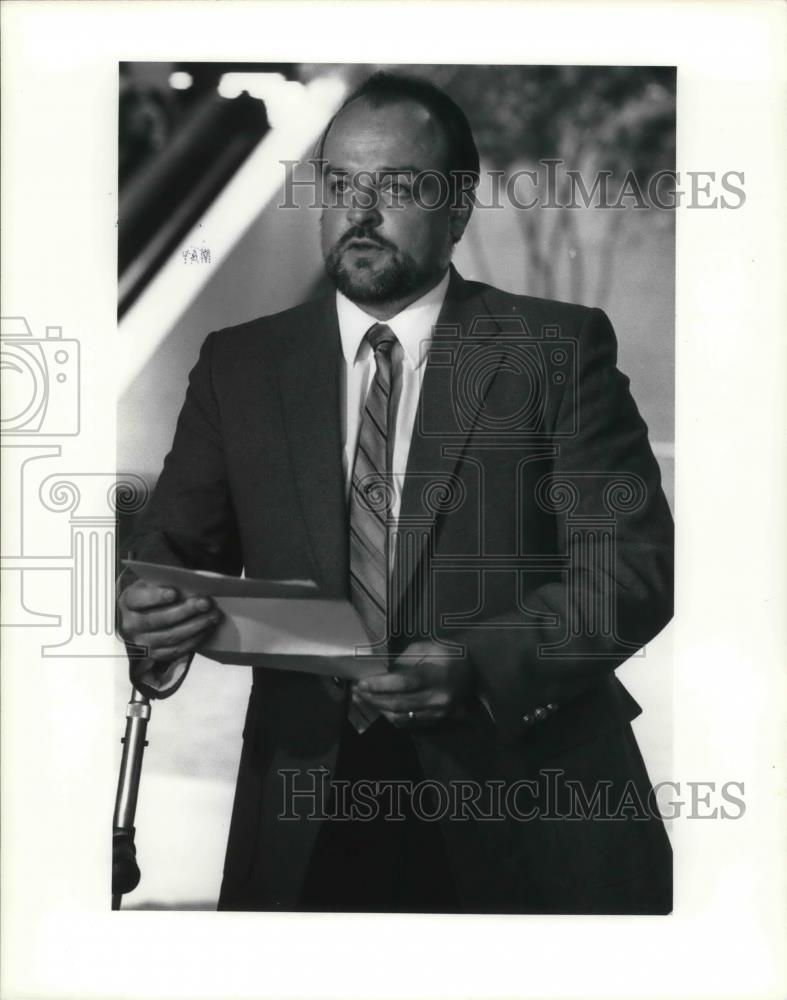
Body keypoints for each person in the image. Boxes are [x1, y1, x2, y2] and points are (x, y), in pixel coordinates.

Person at [117, 72, 674, 914]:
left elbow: (629, 573)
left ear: (457, 207)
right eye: (339, 184)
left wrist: (478, 666)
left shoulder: (554, 349)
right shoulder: (240, 364)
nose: (359, 211)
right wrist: (150, 614)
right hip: (304, 809)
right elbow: (173, 551)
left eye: (397, 187)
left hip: (526, 805)